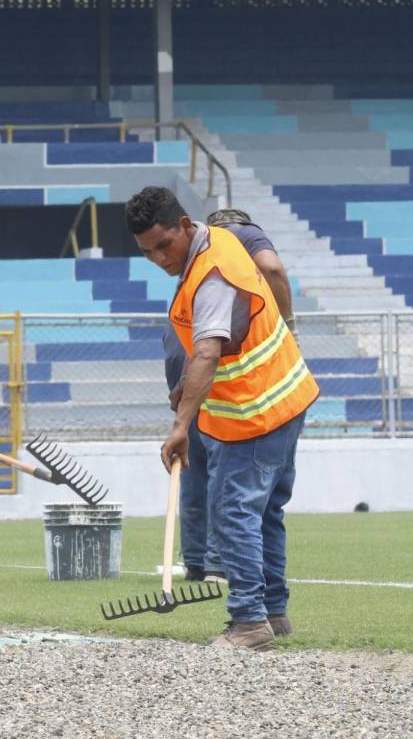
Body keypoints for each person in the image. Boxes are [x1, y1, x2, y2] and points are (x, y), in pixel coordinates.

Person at [126, 187, 319, 651]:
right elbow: (217, 345)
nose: (157, 258)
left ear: (185, 226)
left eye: (163, 245)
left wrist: (180, 427)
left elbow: (209, 350)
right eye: (146, 251)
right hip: (288, 396)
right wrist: (184, 390)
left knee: (234, 514)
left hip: (254, 411)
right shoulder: (222, 240)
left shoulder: (210, 276)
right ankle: (274, 611)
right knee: (265, 513)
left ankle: (249, 622)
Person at [165, 208, 295, 584]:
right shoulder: (198, 271)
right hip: (212, 399)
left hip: (249, 401)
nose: (159, 259)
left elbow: (271, 269)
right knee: (212, 489)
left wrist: (289, 326)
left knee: (234, 504)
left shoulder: (232, 244)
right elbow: (201, 346)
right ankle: (206, 569)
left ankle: (245, 609)